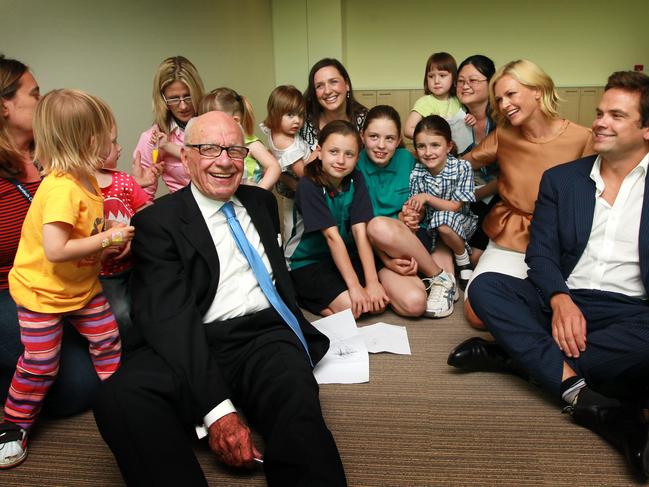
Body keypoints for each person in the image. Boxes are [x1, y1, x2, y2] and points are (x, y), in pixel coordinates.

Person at [93, 111, 347, 487]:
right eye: (210, 149)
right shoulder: (158, 223)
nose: (225, 161)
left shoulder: (261, 204)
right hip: (195, 334)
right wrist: (218, 413)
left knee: (297, 405)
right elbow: (170, 319)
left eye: (234, 150)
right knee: (121, 397)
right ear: (187, 156)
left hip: (264, 335)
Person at [448, 71, 649, 481]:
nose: (600, 123)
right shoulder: (563, 179)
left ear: (646, 129)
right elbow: (539, 254)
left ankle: (515, 357)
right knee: (485, 287)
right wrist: (559, 299)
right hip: (562, 298)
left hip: (632, 312)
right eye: (599, 112)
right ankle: (593, 400)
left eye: (616, 115)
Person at [0, 89, 131, 468]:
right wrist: (106, 238)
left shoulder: (85, 181)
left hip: (80, 287)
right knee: (42, 363)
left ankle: (118, 398)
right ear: (89, 141)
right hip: (42, 293)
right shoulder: (60, 188)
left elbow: (79, 236)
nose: (114, 143)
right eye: (110, 136)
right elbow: (56, 249)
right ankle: (14, 423)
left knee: (107, 338)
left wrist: (105, 243)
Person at [0, 55, 99, 418]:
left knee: (116, 334)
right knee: (77, 386)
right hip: (13, 288)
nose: (43, 103)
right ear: (5, 105)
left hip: (64, 277)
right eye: (35, 93)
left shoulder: (54, 156)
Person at [463, 59, 594, 328]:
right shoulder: (504, 135)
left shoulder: (583, 138)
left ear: (538, 90)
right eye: (498, 99)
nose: (504, 105)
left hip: (559, 241)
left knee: (576, 310)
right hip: (510, 238)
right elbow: (461, 165)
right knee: (477, 313)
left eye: (511, 94)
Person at [360, 107, 459, 318]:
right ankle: (440, 275)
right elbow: (357, 227)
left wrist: (415, 214)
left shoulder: (407, 159)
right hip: (374, 250)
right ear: (362, 136)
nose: (381, 145)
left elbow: (425, 196)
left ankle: (438, 276)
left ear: (398, 141)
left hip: (410, 241)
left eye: (389, 138)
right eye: (374, 137)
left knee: (383, 227)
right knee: (415, 304)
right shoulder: (354, 165)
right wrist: (386, 261)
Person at [285, 120, 388, 318]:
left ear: (357, 158)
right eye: (333, 152)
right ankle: (301, 296)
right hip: (307, 262)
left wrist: (372, 282)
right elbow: (332, 238)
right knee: (356, 309)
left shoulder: (356, 179)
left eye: (349, 154)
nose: (341, 160)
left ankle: (334, 298)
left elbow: (360, 231)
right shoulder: (309, 185)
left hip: (344, 256)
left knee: (377, 304)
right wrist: (356, 286)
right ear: (319, 151)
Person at [95, 122, 151, 348]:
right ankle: (131, 354)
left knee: (146, 306)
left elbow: (147, 211)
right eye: (114, 143)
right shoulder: (80, 188)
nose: (120, 148)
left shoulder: (124, 181)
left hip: (137, 264)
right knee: (121, 314)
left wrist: (134, 234)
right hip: (104, 273)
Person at [408, 115, 477, 292]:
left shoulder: (462, 167)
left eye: (435, 145)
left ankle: (463, 261)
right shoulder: (417, 172)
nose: (428, 152)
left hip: (461, 223)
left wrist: (427, 198)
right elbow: (421, 209)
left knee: (443, 218)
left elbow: (455, 206)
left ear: (449, 146)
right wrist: (413, 212)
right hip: (432, 229)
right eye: (421, 146)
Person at [132, 55, 204, 197]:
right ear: (162, 99)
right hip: (186, 212)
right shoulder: (152, 139)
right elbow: (143, 198)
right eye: (174, 99)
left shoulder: (217, 124)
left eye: (188, 96)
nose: (183, 106)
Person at [456, 55, 498, 265]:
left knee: (477, 257)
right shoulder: (454, 119)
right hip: (463, 198)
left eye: (473, 80)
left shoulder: (504, 121)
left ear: (491, 84)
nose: (465, 86)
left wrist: (473, 195)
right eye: (461, 81)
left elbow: (511, 175)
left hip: (499, 197)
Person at [199, 87, 280, 191]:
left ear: (235, 121)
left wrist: (260, 190)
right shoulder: (215, 146)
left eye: (213, 123)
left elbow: (274, 167)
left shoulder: (250, 144)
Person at [260, 85, 311, 242]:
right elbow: (304, 174)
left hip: (290, 193)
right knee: (294, 231)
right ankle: (289, 264)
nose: (297, 121)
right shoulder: (290, 147)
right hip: (297, 195)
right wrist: (316, 155)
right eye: (290, 115)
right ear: (276, 114)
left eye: (300, 115)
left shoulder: (274, 130)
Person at [404, 52, 473, 148]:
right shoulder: (425, 102)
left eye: (442, 75)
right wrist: (431, 138)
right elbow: (408, 130)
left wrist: (471, 120)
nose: (436, 81)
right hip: (433, 154)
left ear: (454, 78)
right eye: (431, 76)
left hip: (459, 153)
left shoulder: (459, 100)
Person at [300, 58, 367, 150]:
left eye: (333, 82)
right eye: (319, 86)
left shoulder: (366, 120)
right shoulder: (303, 122)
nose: (327, 91)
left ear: (347, 84)